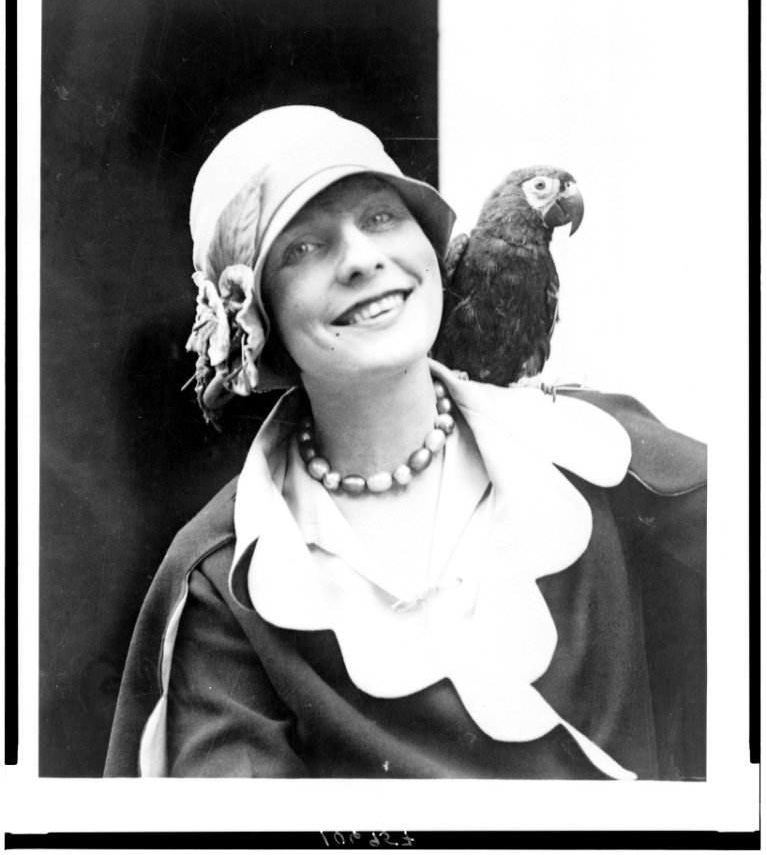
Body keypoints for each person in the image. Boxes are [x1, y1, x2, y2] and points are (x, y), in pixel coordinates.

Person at [104, 105, 706, 779]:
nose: (363, 259)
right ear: (258, 313)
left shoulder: (607, 453)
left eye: (381, 217)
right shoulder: (225, 583)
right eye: (302, 248)